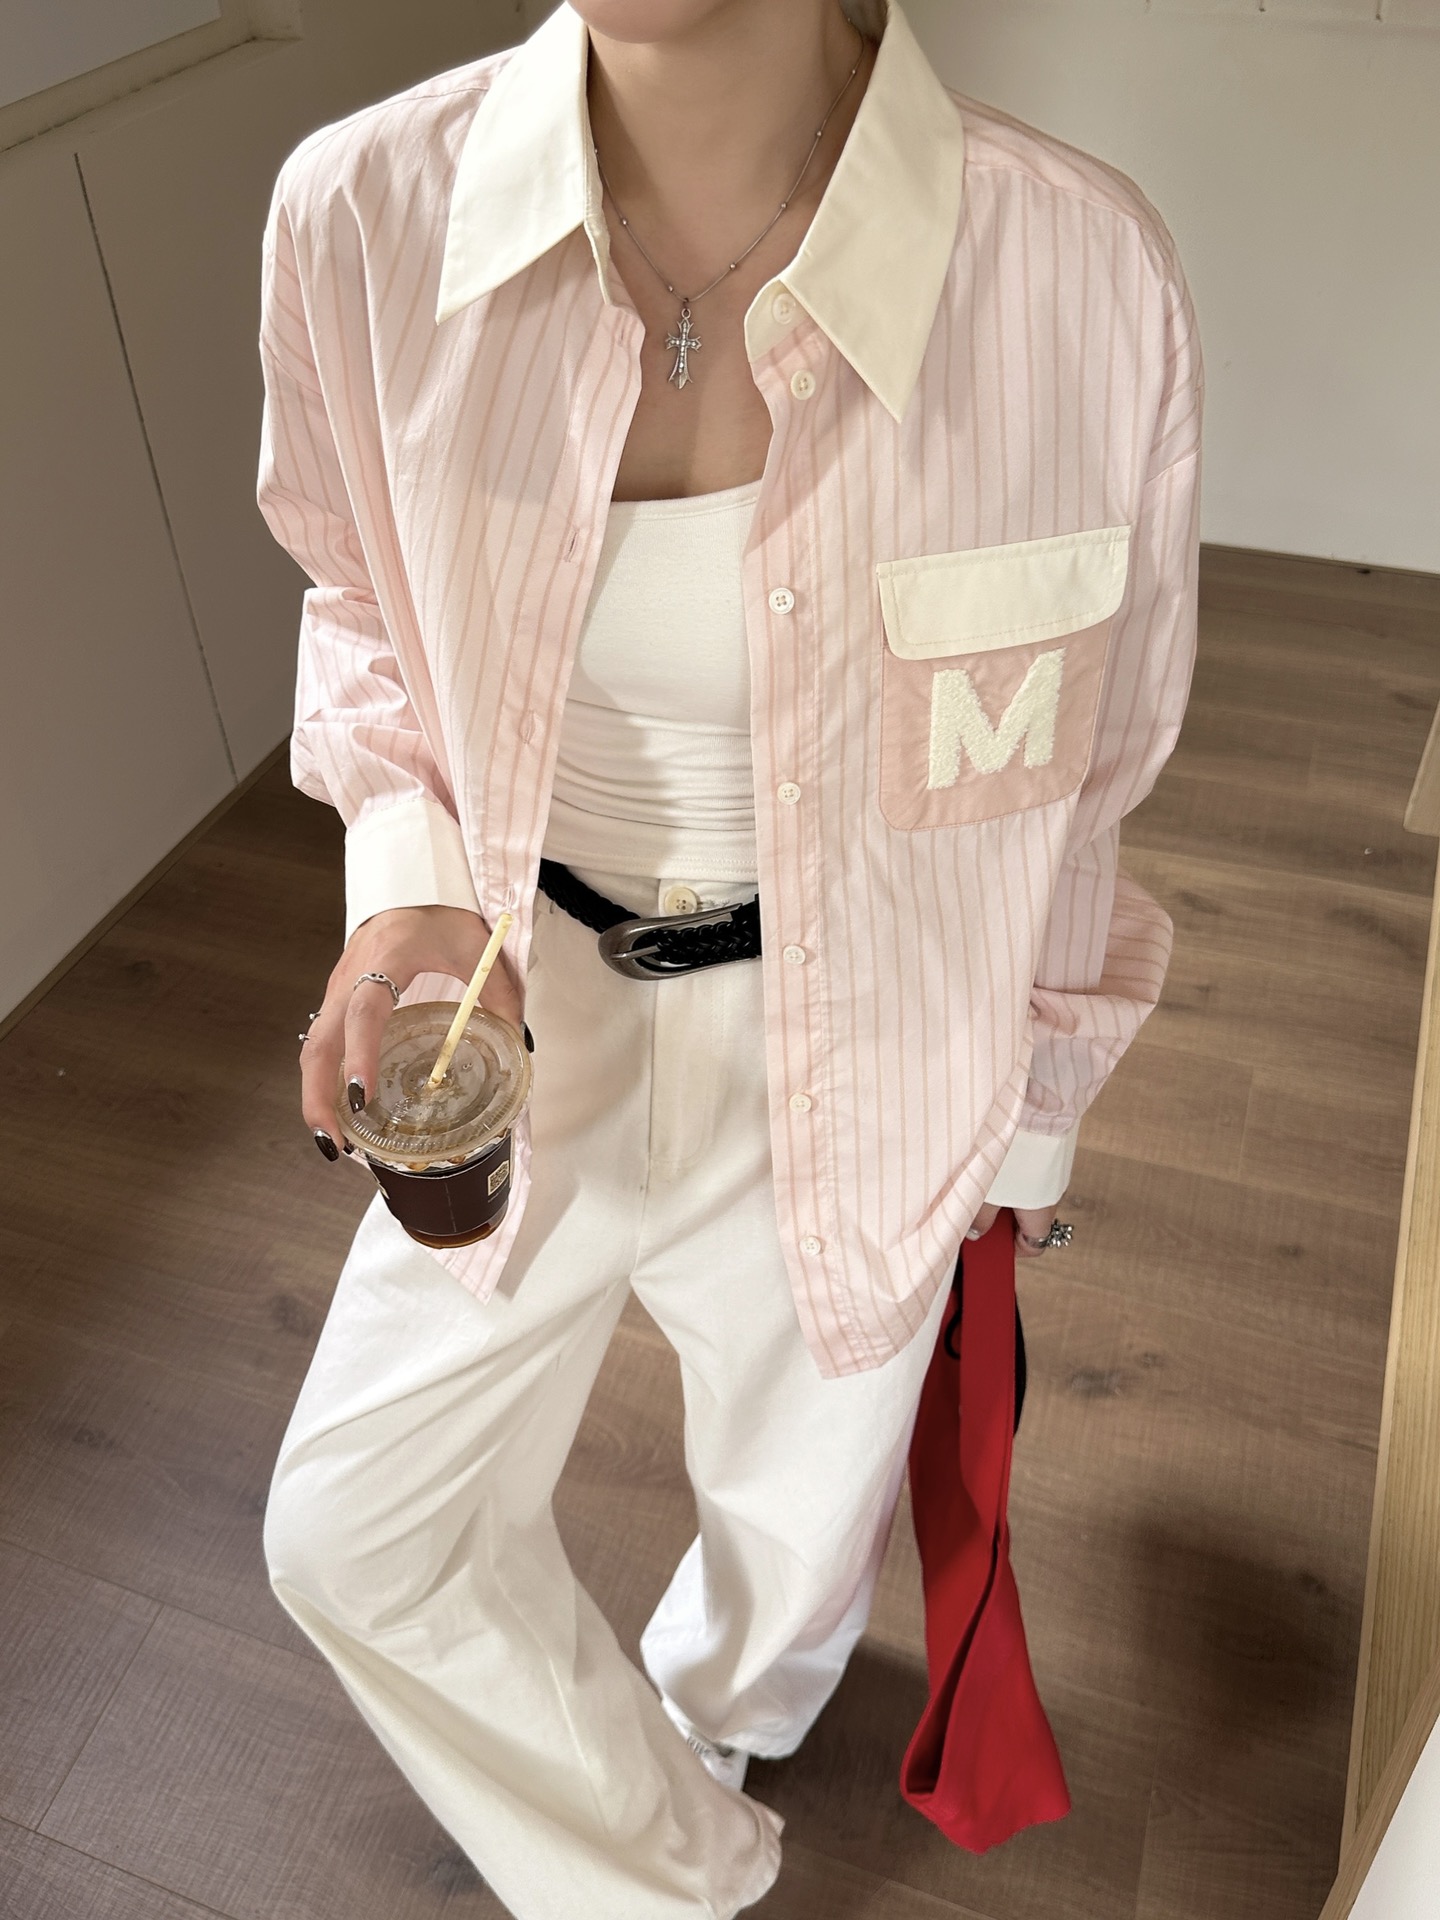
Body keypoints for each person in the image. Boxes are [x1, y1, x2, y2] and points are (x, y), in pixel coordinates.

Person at [254, 0, 1202, 1912]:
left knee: (794, 1527)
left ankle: (730, 1710)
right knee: (355, 1534)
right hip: (518, 1011)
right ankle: (682, 1873)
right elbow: (355, 589)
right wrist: (404, 877)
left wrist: (1027, 1119)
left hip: (886, 1032)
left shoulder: (1078, 274)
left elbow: (1091, 764)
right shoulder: (361, 215)